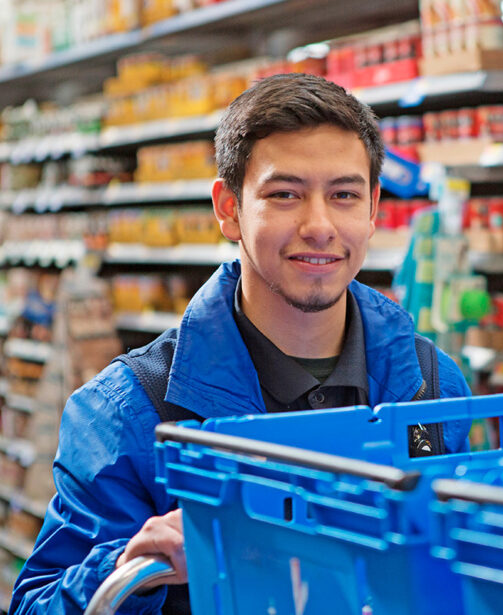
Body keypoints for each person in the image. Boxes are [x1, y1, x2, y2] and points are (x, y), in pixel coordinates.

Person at [11, 73, 471, 614]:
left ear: (372, 208)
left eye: (343, 195)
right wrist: (134, 568)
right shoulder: (129, 411)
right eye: (285, 195)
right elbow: (36, 603)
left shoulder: (431, 386)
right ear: (229, 208)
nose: (319, 225)